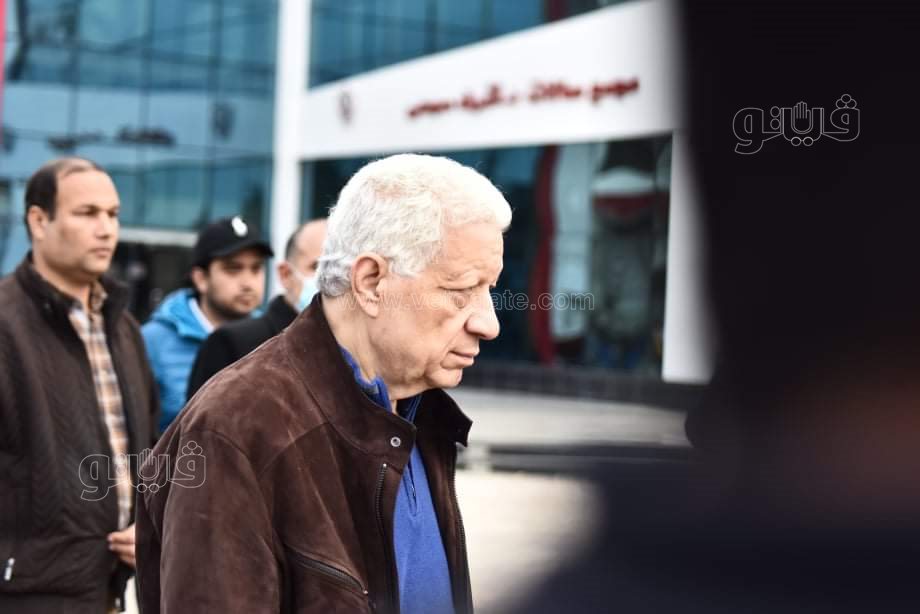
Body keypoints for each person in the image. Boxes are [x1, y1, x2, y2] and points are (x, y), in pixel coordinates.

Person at [136, 153, 511, 614]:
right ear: (370, 282)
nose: (489, 323)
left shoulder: (422, 411)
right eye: (461, 290)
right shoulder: (233, 429)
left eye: (489, 289)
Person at [0, 158, 159, 613]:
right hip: (25, 594)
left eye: (113, 214)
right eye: (87, 213)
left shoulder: (124, 329)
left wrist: (148, 524)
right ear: (38, 221)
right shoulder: (6, 326)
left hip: (113, 589)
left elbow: (148, 450)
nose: (106, 229)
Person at [141, 216, 273, 432]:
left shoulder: (273, 338)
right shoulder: (152, 341)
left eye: (256, 268)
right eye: (233, 269)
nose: (248, 283)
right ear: (201, 279)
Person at [186, 218, 327, 398]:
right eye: (317, 266)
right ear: (285, 274)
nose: (248, 283)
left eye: (256, 268)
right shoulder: (230, 342)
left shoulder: (347, 342)